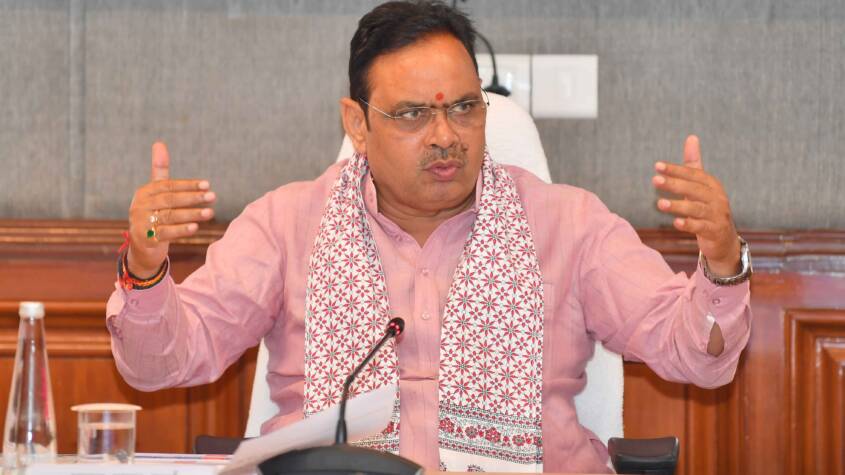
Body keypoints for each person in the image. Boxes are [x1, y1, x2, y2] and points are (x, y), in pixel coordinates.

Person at [106, 1, 752, 473]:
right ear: (357, 124)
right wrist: (147, 265)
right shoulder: (285, 226)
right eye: (414, 114)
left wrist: (721, 263)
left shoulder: (569, 226)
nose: (446, 135)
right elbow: (163, 363)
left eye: (464, 107)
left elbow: (696, 356)